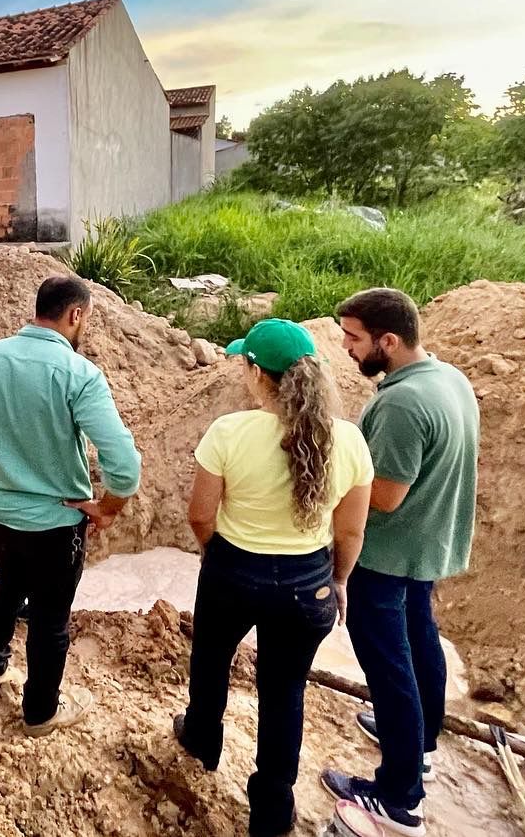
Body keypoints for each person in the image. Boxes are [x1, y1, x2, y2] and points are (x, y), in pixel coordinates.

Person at [176, 319, 373, 837]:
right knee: (284, 691)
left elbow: (200, 514)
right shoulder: (349, 441)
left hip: (234, 572)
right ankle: (270, 807)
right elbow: (350, 532)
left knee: (212, 659)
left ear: (256, 372)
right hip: (308, 582)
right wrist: (340, 581)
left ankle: (201, 739)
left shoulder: (229, 432)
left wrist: (212, 553)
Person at [321, 289, 479, 837]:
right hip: (426, 544)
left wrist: (331, 486)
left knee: (389, 668)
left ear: (388, 341)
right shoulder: (447, 379)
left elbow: (384, 496)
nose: (345, 348)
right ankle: (421, 742)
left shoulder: (401, 405)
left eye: (354, 338)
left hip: (386, 554)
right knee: (420, 640)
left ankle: (399, 797)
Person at [0, 275, 142, 736]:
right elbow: (124, 463)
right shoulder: (78, 374)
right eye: (86, 321)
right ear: (75, 315)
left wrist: (6, 474)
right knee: (50, 618)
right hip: (57, 523)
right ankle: (40, 713)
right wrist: (109, 507)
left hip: (1, 511)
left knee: (7, 583)